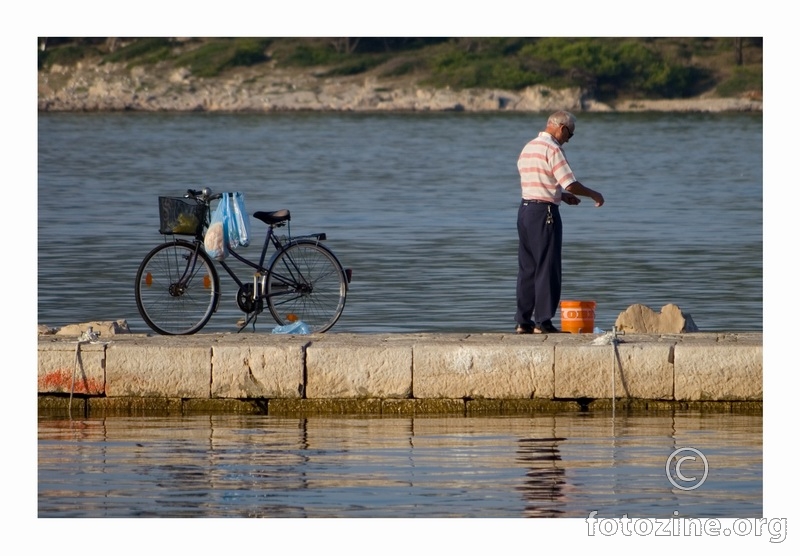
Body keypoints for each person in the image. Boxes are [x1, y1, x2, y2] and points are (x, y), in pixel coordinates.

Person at [515, 110, 604, 334]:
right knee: (548, 267)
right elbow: (570, 183)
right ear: (562, 128)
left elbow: (537, 182)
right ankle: (543, 322)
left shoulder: (528, 147)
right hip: (545, 213)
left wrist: (560, 196)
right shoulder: (553, 149)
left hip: (525, 211)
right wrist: (594, 194)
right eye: (570, 134)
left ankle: (522, 321)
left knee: (528, 268)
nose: (568, 139)